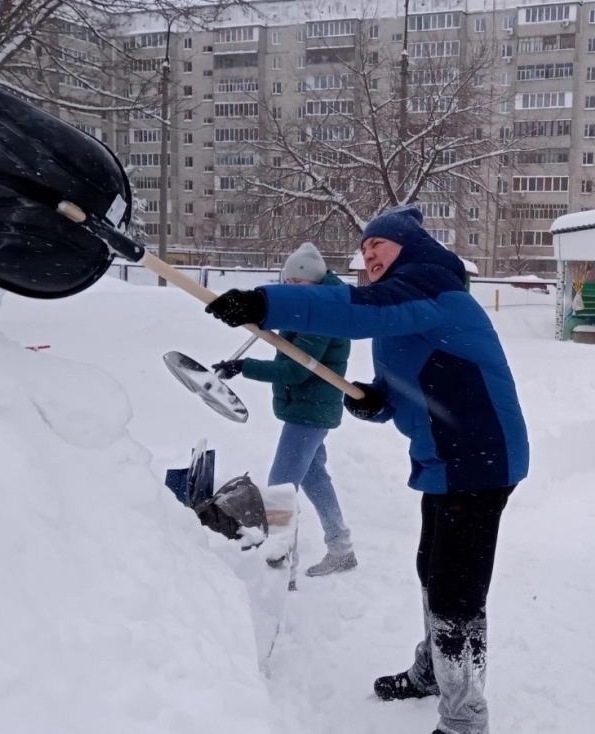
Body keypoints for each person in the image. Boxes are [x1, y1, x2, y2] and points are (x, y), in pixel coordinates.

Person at [203, 204, 529, 734]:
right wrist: (380, 400)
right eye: (364, 247)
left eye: (379, 243)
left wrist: (269, 302)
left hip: (479, 458)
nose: (368, 252)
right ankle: (432, 671)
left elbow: (358, 310)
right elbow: (421, 380)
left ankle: (465, 719)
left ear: (409, 246)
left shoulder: (429, 285)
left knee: (455, 592)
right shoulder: (413, 299)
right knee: (433, 568)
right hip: (448, 459)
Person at [211, 243, 357, 589]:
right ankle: (341, 547)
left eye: (298, 283)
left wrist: (243, 367)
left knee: (280, 488)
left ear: (315, 281)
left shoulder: (324, 312)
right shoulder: (314, 301)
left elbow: (295, 369)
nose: (292, 289)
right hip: (310, 406)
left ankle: (281, 575)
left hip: (310, 409)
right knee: (314, 476)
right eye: (287, 282)